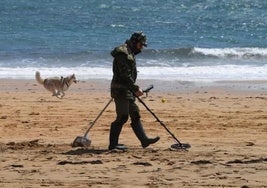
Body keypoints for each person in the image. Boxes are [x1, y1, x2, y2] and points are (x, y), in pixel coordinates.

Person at [109, 31, 160, 150]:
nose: (141, 47)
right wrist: (136, 89)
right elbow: (125, 76)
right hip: (121, 90)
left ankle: (144, 140)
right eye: (140, 44)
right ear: (134, 42)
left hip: (128, 89)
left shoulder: (129, 52)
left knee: (135, 114)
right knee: (122, 117)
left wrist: (134, 89)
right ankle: (113, 144)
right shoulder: (123, 53)